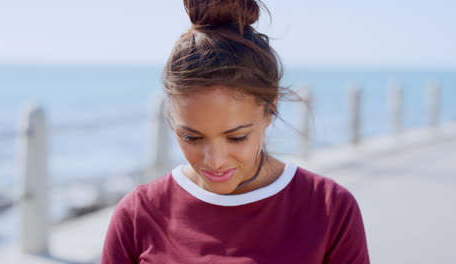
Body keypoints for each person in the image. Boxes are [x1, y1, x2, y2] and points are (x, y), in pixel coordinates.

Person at [101, 0, 370, 263]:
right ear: (172, 117)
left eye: (237, 137)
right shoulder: (138, 213)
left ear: (270, 108)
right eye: (191, 137)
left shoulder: (329, 208)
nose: (214, 160)